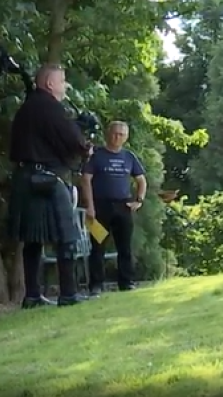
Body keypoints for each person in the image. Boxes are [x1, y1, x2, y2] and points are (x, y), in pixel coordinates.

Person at [8, 64, 92, 309]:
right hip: (48, 180)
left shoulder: (27, 107)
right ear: (49, 84)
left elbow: (50, 138)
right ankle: (68, 294)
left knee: (32, 240)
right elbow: (71, 140)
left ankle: (32, 296)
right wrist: (85, 141)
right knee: (66, 237)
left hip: (25, 177)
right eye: (62, 80)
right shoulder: (50, 106)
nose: (65, 85)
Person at [81, 121, 147, 296]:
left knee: (124, 247)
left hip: (123, 206)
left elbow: (141, 180)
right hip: (100, 206)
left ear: (126, 138)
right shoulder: (97, 155)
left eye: (121, 135)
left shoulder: (129, 157)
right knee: (98, 247)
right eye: (114, 133)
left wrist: (138, 200)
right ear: (108, 134)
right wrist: (89, 206)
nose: (117, 137)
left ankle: (126, 282)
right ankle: (96, 285)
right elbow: (86, 179)